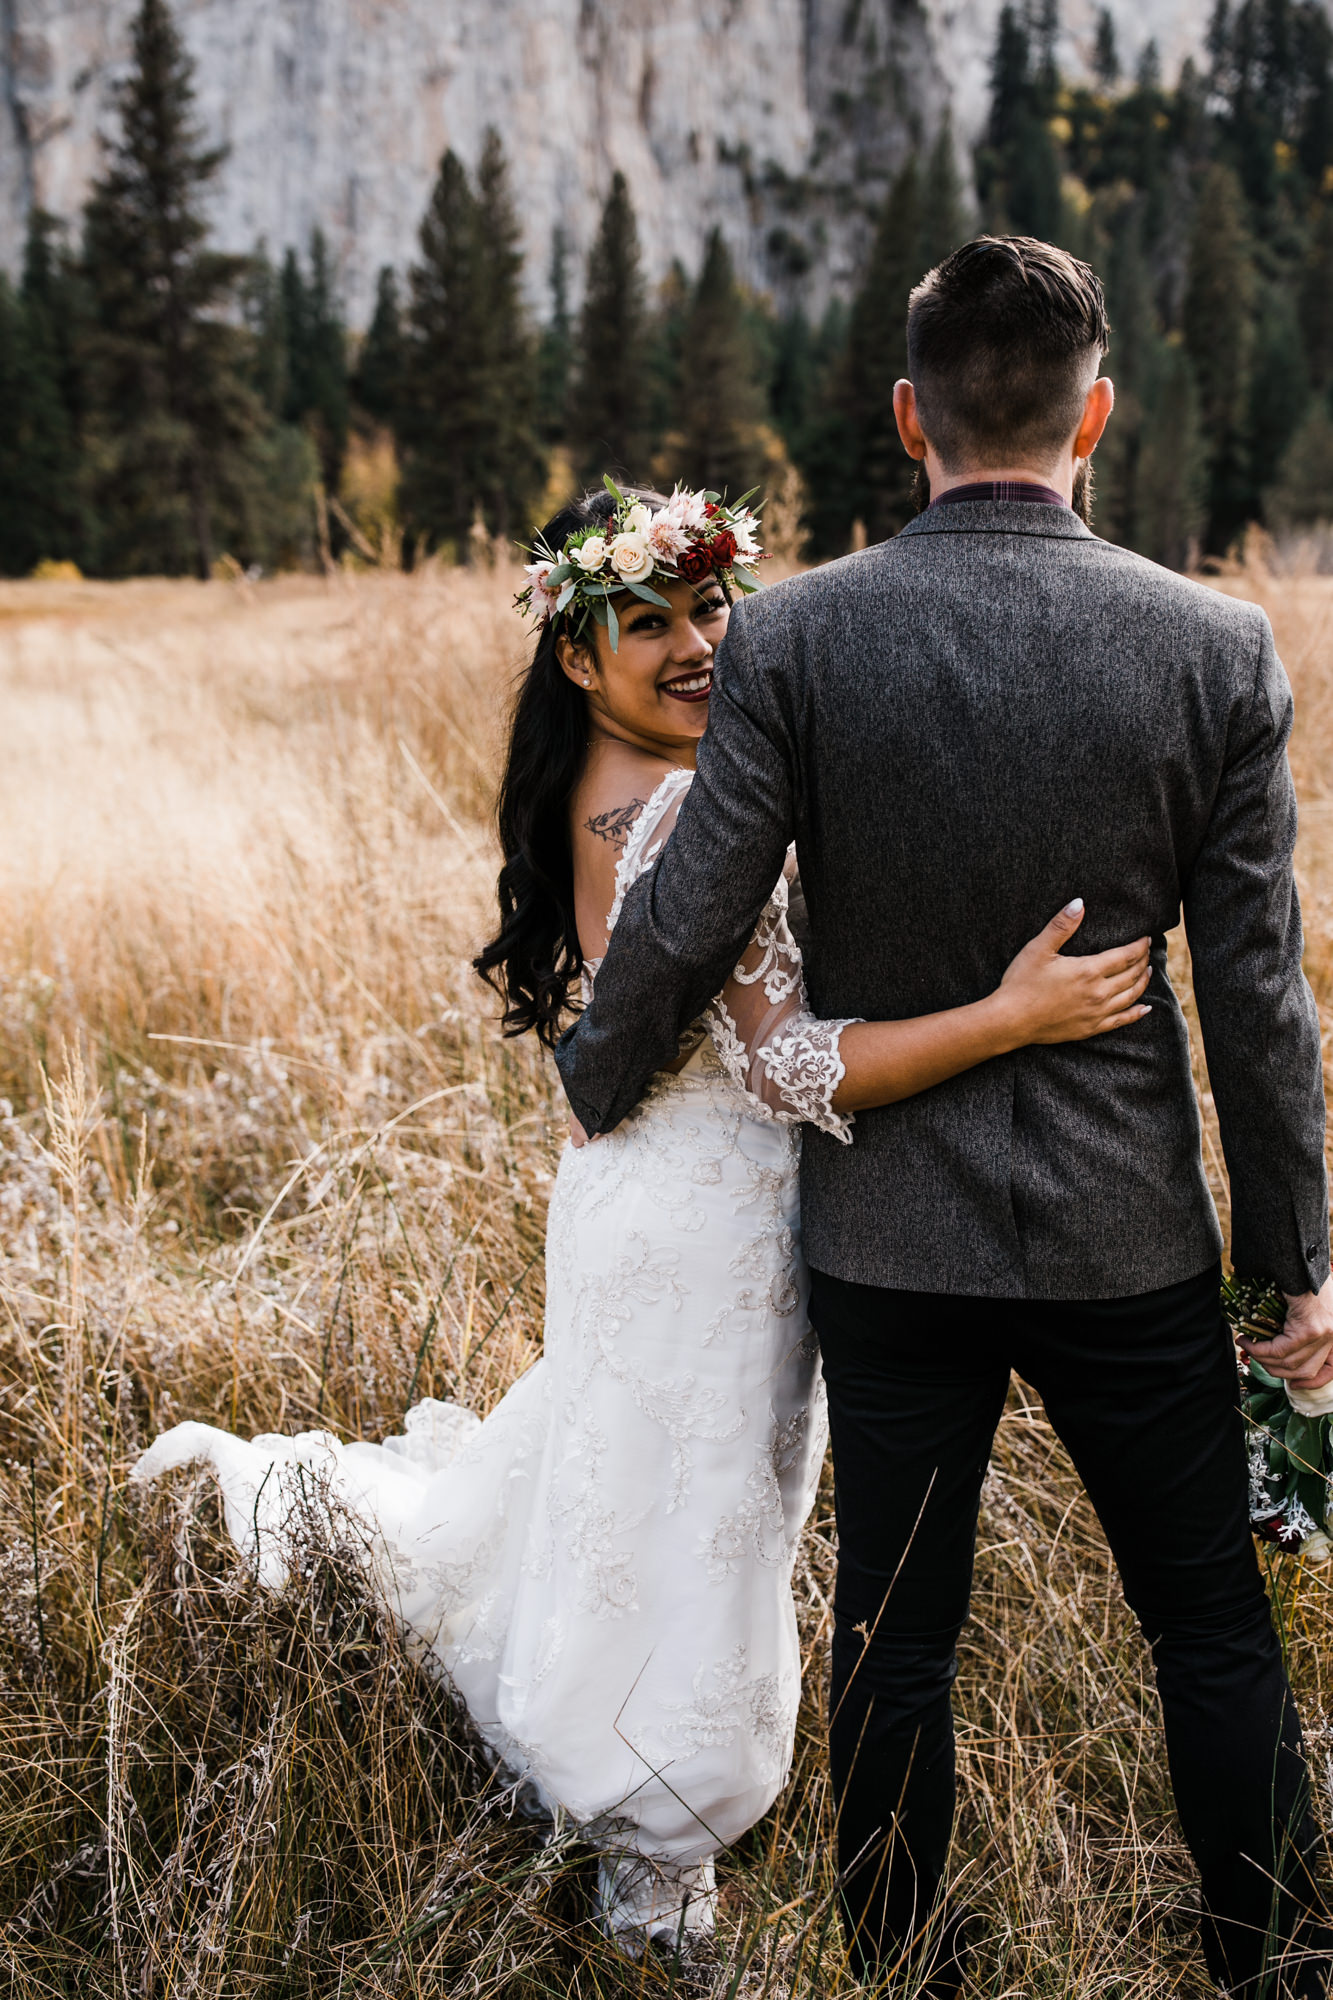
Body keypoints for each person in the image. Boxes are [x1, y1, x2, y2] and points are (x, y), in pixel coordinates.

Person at [132, 475, 1152, 1958]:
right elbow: (786, 1062)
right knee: (694, 1531)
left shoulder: (604, 793)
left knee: (642, 1497)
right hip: (705, 1225)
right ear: (574, 653)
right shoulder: (668, 809)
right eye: (647, 620)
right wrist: (1009, 1015)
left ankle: (597, 1774)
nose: (695, 643)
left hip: (655, 1199)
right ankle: (651, 1877)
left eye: (709, 605)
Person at [554, 241, 1333, 1997]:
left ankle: (910, 1973)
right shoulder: (1214, 646)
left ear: (907, 415)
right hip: (1127, 1243)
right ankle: (1272, 1962)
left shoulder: (801, 637)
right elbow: (1257, 994)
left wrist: (597, 1083)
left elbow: (690, 914)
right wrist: (1291, 1263)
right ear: (1096, 415)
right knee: (1209, 1634)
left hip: (884, 1246)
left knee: (895, 1646)